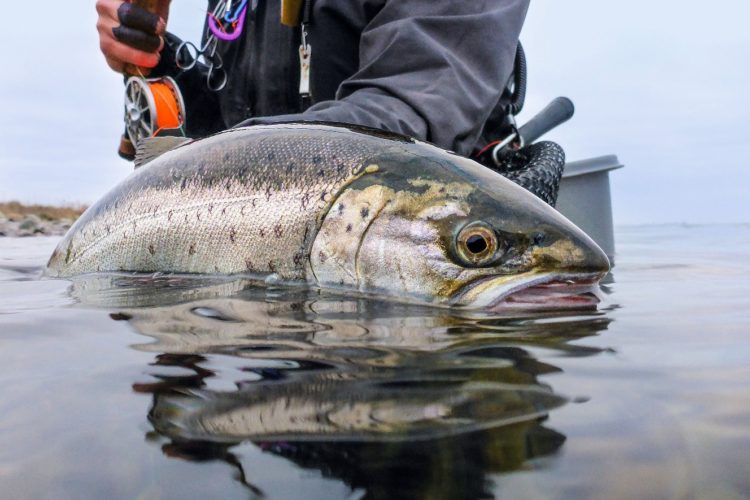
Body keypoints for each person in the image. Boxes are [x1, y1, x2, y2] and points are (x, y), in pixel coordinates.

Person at [96, 0, 530, 158]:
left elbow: (414, 108)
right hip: (266, 277)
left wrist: (237, 158)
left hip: (430, 265)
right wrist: (162, 67)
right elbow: (228, 118)